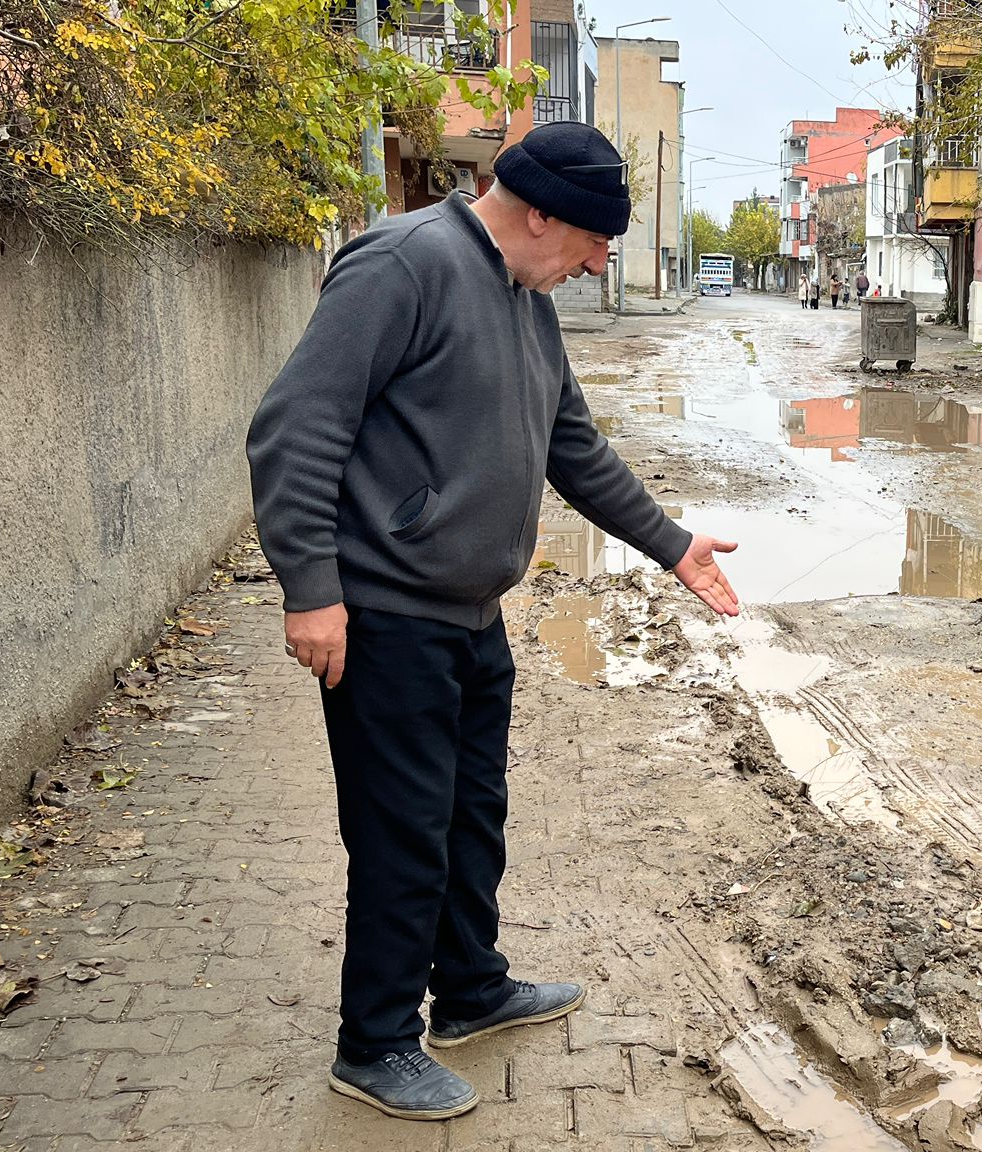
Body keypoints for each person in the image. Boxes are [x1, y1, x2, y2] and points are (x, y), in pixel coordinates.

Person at [246, 122, 740, 1123]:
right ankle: (374, 1043)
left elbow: (574, 447)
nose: (597, 265)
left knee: (472, 816)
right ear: (542, 214)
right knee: (402, 834)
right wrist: (309, 586)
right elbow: (296, 427)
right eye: (595, 242)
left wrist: (670, 543)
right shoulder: (403, 264)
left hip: (472, 616)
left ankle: (469, 990)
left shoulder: (527, 302)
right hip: (385, 615)